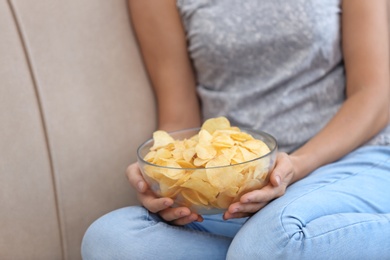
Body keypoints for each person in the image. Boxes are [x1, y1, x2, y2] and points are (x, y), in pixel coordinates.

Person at [81, 0, 390, 259]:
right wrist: (164, 175)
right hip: (236, 197)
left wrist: (295, 164)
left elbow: (375, 94)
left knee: (267, 242)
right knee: (109, 240)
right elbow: (179, 115)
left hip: (352, 159)